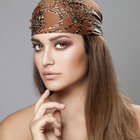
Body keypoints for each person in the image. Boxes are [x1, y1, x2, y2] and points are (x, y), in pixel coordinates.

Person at [0, 0, 140, 140]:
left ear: (91, 49)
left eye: (61, 44)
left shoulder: (137, 122)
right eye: (38, 46)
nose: (45, 61)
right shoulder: (13, 131)